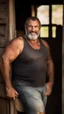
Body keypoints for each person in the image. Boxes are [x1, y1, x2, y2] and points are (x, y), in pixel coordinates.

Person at [0, 16, 54, 114]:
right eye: (30, 27)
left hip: (42, 87)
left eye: (36, 27)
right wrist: (8, 86)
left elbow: (49, 61)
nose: (33, 30)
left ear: (39, 28)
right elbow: (4, 59)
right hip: (25, 86)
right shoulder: (19, 43)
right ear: (26, 27)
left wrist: (51, 82)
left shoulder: (44, 44)